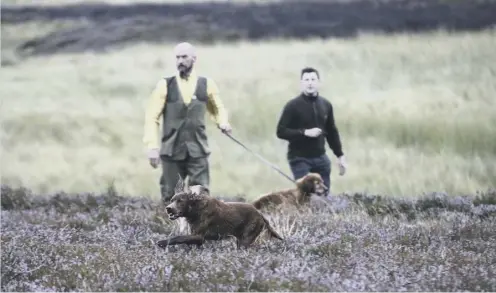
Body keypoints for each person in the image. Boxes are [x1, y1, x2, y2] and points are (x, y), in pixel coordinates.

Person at [143, 42, 232, 203]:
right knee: (170, 196)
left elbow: (217, 108)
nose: (180, 61)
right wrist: (152, 147)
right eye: (177, 57)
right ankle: (169, 228)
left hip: (198, 149)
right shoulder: (165, 84)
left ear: (194, 58)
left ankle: (199, 228)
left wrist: (223, 122)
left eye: (184, 57)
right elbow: (152, 117)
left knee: (200, 196)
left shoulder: (206, 84)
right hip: (171, 150)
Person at [276, 66, 347, 196]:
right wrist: (304, 133)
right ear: (301, 83)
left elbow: (332, 132)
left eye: (313, 79)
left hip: (321, 159)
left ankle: (321, 216)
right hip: (299, 159)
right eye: (306, 79)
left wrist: (340, 156)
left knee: (324, 197)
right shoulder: (292, 106)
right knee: (306, 198)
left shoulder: (326, 104)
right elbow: (281, 131)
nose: (310, 82)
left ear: (318, 82)